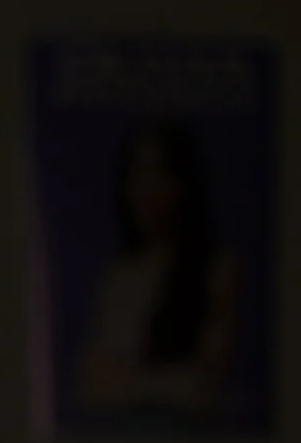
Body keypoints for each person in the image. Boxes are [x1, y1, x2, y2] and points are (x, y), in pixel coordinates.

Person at [75, 119, 240, 419]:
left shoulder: (214, 267)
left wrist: (129, 381)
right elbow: (92, 382)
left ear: (183, 183)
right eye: (137, 174)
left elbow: (206, 383)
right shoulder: (118, 276)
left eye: (160, 173)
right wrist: (164, 383)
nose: (147, 189)